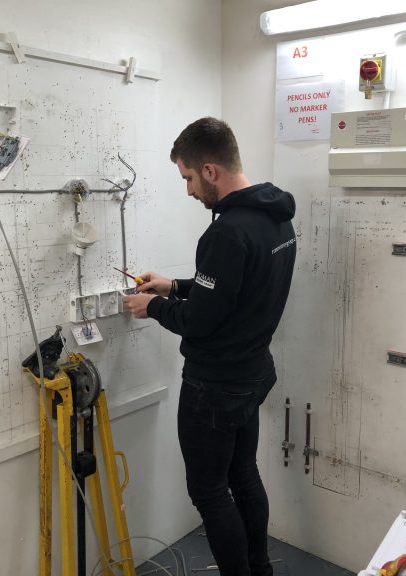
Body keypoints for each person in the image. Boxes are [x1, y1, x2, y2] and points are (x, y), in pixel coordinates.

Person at [123, 117, 296, 576]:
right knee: (243, 474)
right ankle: (259, 569)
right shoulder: (277, 217)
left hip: (215, 387)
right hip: (253, 373)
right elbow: (234, 291)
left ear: (210, 170)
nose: (188, 191)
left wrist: (152, 307)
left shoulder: (226, 232)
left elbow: (199, 322)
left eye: (188, 178)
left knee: (210, 492)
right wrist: (173, 286)